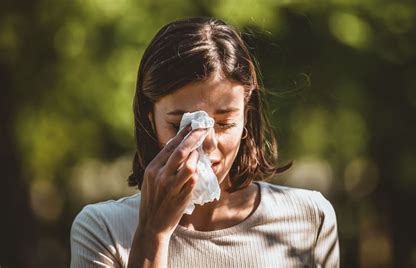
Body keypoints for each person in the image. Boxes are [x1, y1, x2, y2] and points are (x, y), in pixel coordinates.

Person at [70, 16, 339, 268]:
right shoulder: (103, 230)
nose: (206, 144)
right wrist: (152, 234)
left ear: (247, 116)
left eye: (224, 123)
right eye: (181, 125)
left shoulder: (310, 217)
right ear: (149, 118)